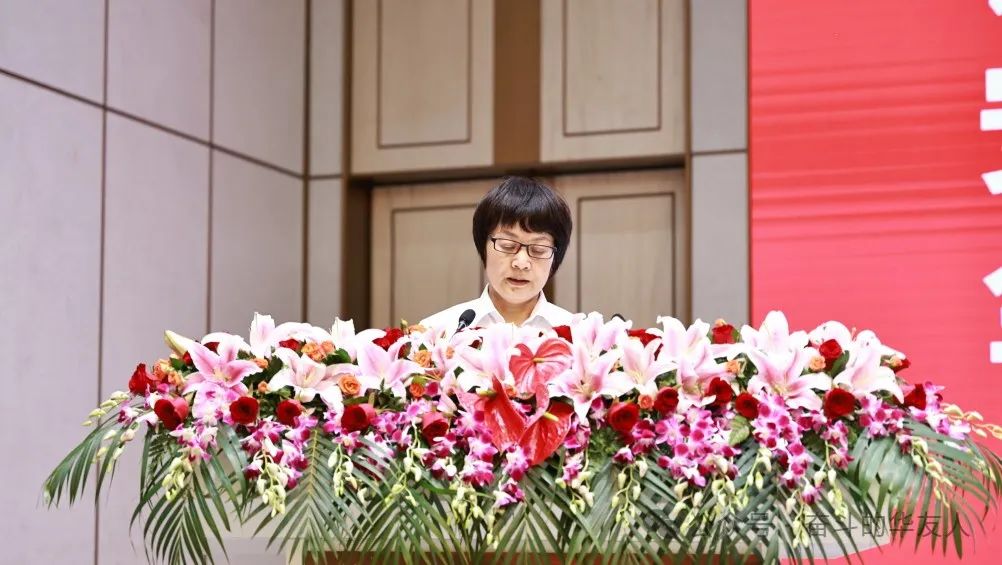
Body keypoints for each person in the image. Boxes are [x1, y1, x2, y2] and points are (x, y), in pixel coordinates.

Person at [420, 176, 577, 332]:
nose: (521, 263)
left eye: (538, 249)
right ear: (483, 247)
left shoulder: (578, 334)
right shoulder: (436, 331)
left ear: (555, 258)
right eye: (508, 245)